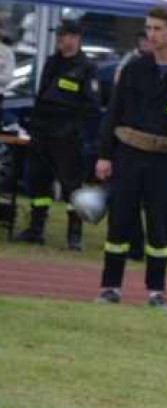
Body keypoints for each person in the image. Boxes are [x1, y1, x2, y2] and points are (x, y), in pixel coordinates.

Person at [95, 6, 167, 308]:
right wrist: (105, 155)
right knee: (119, 224)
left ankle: (156, 292)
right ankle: (110, 287)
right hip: (129, 154)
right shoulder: (134, 69)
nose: (152, 35)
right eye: (149, 28)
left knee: (160, 226)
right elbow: (113, 113)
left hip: (165, 159)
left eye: (158, 29)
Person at [15, 20, 99, 249]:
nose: (62, 40)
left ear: (77, 39)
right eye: (60, 36)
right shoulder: (52, 62)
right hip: (42, 131)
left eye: (67, 36)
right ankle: (36, 229)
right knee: (38, 181)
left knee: (71, 185)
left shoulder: (86, 67)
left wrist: (77, 131)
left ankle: (74, 236)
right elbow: (42, 95)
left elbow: (91, 106)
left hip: (67, 136)